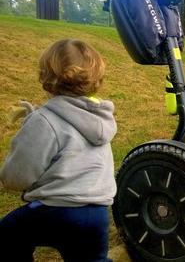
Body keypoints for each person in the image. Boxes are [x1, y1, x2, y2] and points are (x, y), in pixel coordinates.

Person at [0, 39, 117, 262]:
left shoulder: (44, 120)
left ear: (47, 77)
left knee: (8, 236)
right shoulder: (100, 119)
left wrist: (6, 177)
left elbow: (18, 175)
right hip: (97, 213)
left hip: (57, 210)